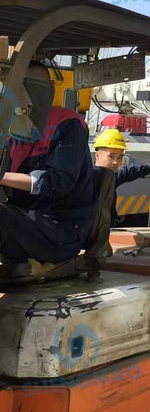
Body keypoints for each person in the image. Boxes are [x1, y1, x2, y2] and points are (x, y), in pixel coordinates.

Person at [0, 62, 95, 276]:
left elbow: (58, 182)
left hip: (60, 229)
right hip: (26, 221)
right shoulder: (13, 128)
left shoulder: (68, 124)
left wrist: (3, 177)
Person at [92, 128, 150, 221]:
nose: (115, 162)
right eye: (111, 156)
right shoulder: (87, 179)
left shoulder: (110, 178)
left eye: (119, 157)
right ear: (97, 155)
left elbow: (130, 172)